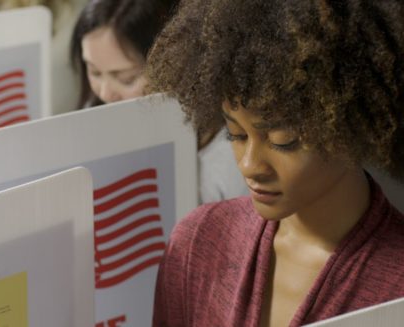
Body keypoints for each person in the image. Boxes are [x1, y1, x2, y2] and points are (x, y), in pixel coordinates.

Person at [147, 0, 404, 326]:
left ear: (350, 125)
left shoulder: (398, 286)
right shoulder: (198, 245)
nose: (250, 165)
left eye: (283, 141)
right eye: (236, 134)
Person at [71, 0, 247, 203]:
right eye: (94, 72)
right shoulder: (94, 113)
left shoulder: (228, 158)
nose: (105, 92)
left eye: (126, 79)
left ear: (178, 67)